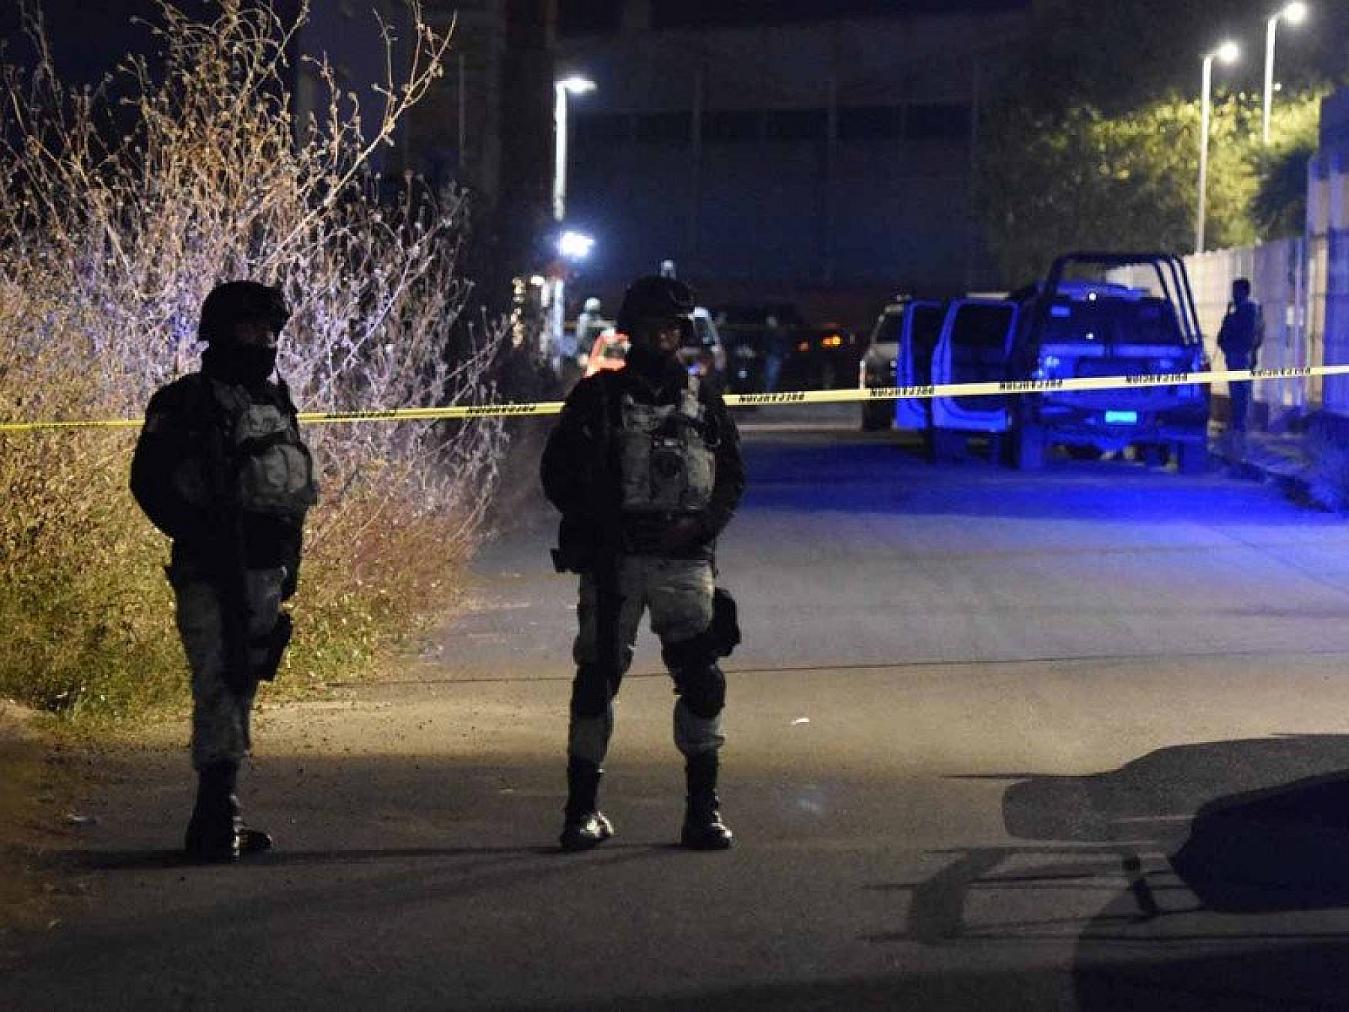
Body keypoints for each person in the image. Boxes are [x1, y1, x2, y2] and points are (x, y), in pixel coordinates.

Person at [541, 274, 746, 852]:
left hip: (684, 563)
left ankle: (702, 812)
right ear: (632, 330)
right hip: (615, 565)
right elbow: (556, 474)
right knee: (596, 680)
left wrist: (698, 528)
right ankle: (581, 811)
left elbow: (731, 479)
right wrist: (602, 525)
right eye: (653, 326)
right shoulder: (597, 398)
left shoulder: (703, 400)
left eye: (672, 328)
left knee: (702, 681)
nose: (663, 337)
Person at [130, 281, 318, 863]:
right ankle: (215, 817)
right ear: (220, 331)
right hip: (210, 569)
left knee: (242, 680)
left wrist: (289, 564)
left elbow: (289, 495)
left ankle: (219, 809)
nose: (263, 339)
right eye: (251, 328)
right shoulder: (185, 402)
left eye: (270, 329)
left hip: (264, 568)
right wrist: (203, 535)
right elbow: (149, 484)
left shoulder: (274, 400)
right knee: (218, 680)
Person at [1216, 278, 1264, 434]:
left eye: (1235, 291)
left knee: (1240, 390)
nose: (1233, 295)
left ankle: (1241, 423)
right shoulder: (1245, 311)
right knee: (1238, 389)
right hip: (1238, 355)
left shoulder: (1247, 311)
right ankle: (1239, 421)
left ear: (1243, 292)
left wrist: (1229, 318)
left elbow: (1244, 334)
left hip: (1240, 355)